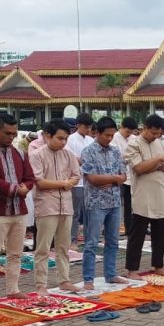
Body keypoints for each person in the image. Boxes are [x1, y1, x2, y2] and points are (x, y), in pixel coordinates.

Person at [0, 114, 35, 299]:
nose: (11, 137)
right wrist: (17, 190)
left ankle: (13, 289)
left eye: (14, 134)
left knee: (15, 254)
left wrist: (26, 187)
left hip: (18, 210)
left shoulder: (20, 152)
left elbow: (30, 177)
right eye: (7, 133)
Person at [29, 120, 81, 294]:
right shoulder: (37, 155)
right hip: (46, 206)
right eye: (60, 138)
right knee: (43, 248)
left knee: (63, 247)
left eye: (66, 139)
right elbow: (40, 182)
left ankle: (64, 280)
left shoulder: (68, 155)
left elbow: (76, 176)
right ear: (47, 136)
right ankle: (41, 285)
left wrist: (67, 183)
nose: (63, 142)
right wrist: (64, 184)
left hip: (66, 205)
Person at [79, 117, 128, 291]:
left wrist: (111, 180)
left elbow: (124, 176)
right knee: (92, 242)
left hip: (114, 201)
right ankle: (88, 278)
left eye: (112, 135)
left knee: (113, 241)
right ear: (96, 133)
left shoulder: (116, 152)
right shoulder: (88, 151)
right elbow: (92, 179)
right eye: (106, 135)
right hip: (96, 202)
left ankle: (111, 273)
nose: (109, 138)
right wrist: (114, 179)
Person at [123, 114, 164, 278]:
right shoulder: (134, 143)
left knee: (160, 232)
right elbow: (138, 168)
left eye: (159, 134)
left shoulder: (160, 142)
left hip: (160, 191)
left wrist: (154, 165)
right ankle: (132, 269)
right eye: (153, 133)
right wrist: (158, 160)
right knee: (137, 234)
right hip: (142, 194)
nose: (156, 136)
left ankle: (158, 265)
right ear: (144, 128)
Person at [66, 114, 94, 246]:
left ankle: (89, 237)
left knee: (89, 211)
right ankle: (72, 239)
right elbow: (71, 158)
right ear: (78, 125)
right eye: (85, 127)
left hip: (90, 180)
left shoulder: (90, 140)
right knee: (75, 212)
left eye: (89, 127)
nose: (88, 130)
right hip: (77, 181)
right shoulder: (70, 139)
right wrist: (85, 161)